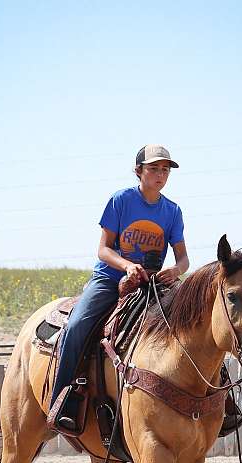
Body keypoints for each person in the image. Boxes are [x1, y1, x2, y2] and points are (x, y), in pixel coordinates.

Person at [49, 144, 189, 432]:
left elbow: (183, 258)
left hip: (152, 284)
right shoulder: (121, 200)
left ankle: (219, 402)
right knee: (76, 326)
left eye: (165, 170)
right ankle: (63, 400)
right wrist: (126, 266)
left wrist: (175, 270)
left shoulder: (172, 211)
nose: (160, 175)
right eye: (153, 169)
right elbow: (102, 249)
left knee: (193, 321)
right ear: (139, 171)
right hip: (110, 279)